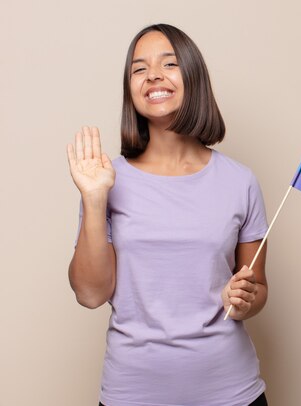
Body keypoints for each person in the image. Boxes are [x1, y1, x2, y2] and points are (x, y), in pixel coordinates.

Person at [66, 23, 270, 406]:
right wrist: (94, 198)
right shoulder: (105, 180)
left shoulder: (240, 181)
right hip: (132, 393)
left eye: (169, 63)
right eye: (139, 68)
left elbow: (257, 289)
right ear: (130, 89)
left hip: (231, 392)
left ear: (193, 76)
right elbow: (91, 294)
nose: (154, 75)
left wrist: (245, 298)